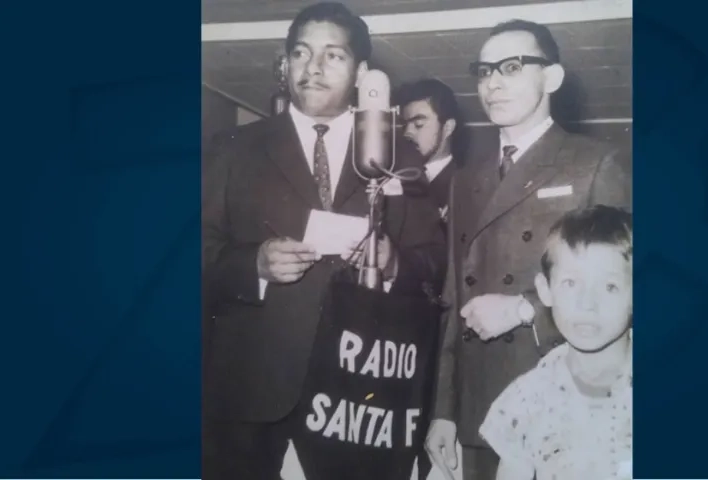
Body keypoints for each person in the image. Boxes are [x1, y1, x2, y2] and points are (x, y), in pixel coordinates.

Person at [201, 3, 445, 479]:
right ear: (285, 63)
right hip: (252, 393)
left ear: (361, 72)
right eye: (300, 53)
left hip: (360, 395)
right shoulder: (233, 148)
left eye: (333, 55)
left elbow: (436, 262)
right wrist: (254, 265)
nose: (312, 68)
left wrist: (394, 264)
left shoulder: (397, 152)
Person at [425, 19, 632, 480]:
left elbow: (632, 284)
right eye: (484, 71)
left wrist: (525, 310)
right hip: (479, 402)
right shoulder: (465, 178)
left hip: (564, 396)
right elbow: (453, 301)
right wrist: (444, 409)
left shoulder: (594, 163)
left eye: (512, 67)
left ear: (552, 78)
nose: (492, 83)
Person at [478, 205, 633, 480]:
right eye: (571, 284)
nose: (587, 304)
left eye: (610, 286)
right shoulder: (525, 400)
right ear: (545, 291)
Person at [394, 78, 466, 212]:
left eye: (418, 124)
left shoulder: (465, 185)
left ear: (448, 127)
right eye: (405, 125)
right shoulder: (396, 178)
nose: (407, 133)